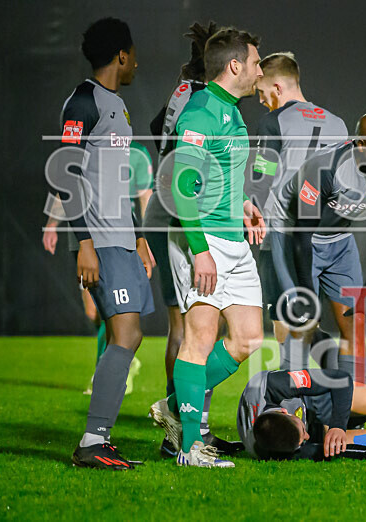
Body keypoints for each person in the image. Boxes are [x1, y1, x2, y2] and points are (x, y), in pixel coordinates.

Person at [150, 27, 266, 468]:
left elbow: (219, 179)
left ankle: (175, 405)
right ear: (235, 65)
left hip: (232, 239)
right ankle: (189, 449)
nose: (259, 70)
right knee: (198, 340)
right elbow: (182, 189)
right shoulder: (200, 113)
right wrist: (199, 251)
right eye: (256, 62)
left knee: (248, 338)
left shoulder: (232, 112)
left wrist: (244, 207)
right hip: (202, 242)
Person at [56, 17, 154, 470]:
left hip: (122, 239)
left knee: (129, 336)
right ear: (121, 55)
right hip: (101, 241)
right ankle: (94, 440)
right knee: (126, 334)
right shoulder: (83, 101)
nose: (136, 62)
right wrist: (84, 243)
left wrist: (139, 238)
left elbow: (116, 180)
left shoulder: (118, 106)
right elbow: (66, 172)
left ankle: (99, 439)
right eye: (133, 54)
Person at [144, 21, 236, 458]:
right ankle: (181, 425)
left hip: (168, 211)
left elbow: (158, 136)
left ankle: (183, 423)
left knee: (183, 326)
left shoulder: (182, 94)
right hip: (186, 215)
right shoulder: (205, 102)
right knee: (199, 326)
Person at [280, 112, 366, 385]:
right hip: (299, 237)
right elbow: (302, 233)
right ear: (359, 146)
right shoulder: (325, 169)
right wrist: (306, 293)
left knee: (355, 324)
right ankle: (291, 410)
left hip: (340, 240)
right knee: (302, 324)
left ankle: (352, 406)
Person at [247, 51, 348, 371]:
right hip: (327, 238)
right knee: (308, 317)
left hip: (283, 235)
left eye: (262, 93)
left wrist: (250, 210)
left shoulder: (273, 121)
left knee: (284, 323)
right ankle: (333, 386)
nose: (262, 101)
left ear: (277, 87)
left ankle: (293, 402)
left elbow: (261, 177)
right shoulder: (338, 123)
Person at [237, 368, 366, 461]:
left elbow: (340, 378)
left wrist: (338, 426)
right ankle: (344, 427)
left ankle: (345, 423)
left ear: (285, 412)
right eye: (302, 442)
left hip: (314, 399)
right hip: (316, 426)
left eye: (303, 431)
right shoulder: (274, 449)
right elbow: (319, 452)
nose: (307, 437)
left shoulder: (275, 384)